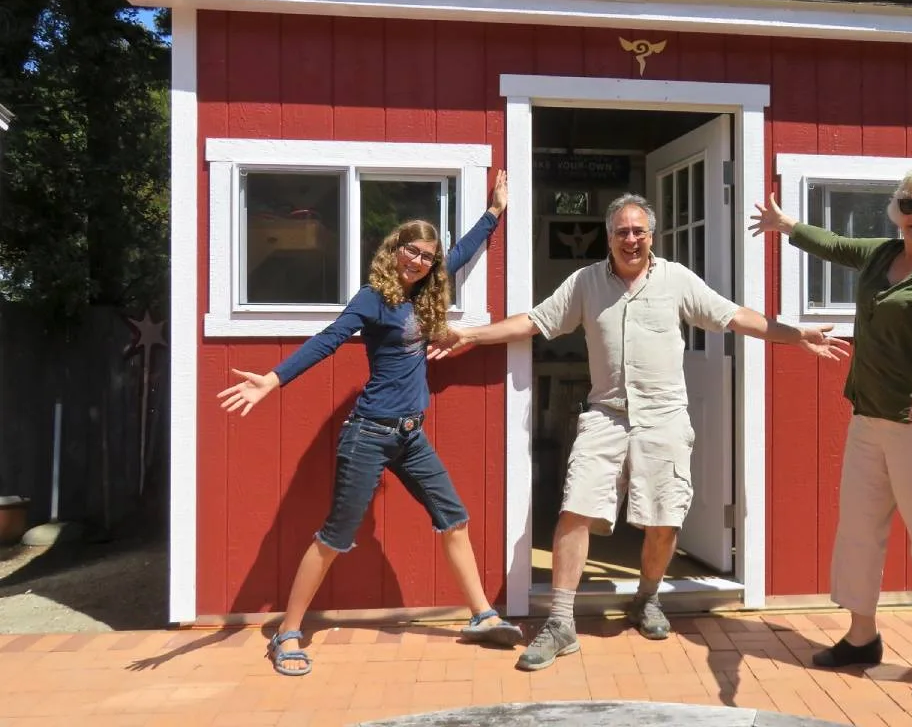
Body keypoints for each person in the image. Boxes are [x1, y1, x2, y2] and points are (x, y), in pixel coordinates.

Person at [429, 193, 849, 672]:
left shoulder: (676, 280)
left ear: (652, 236)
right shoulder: (586, 282)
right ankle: (561, 623)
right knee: (575, 510)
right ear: (608, 237)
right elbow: (535, 321)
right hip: (605, 414)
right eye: (622, 231)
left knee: (665, 519)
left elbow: (734, 316)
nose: (631, 239)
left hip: (664, 416)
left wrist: (797, 334)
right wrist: (469, 334)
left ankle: (646, 599)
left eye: (639, 231)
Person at [217, 170, 522, 677]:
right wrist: (272, 379)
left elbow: (461, 253)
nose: (419, 261)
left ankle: (481, 617)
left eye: (427, 256)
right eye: (412, 252)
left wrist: (494, 211)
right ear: (394, 249)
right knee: (335, 537)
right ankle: (286, 632)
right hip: (368, 435)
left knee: (455, 519)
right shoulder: (372, 299)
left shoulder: (427, 291)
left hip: (410, 435)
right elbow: (328, 340)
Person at [749, 167, 912, 701]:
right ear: (897, 209)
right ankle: (861, 635)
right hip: (871, 415)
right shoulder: (881, 253)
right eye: (910, 204)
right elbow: (835, 244)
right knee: (858, 528)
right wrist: (787, 226)